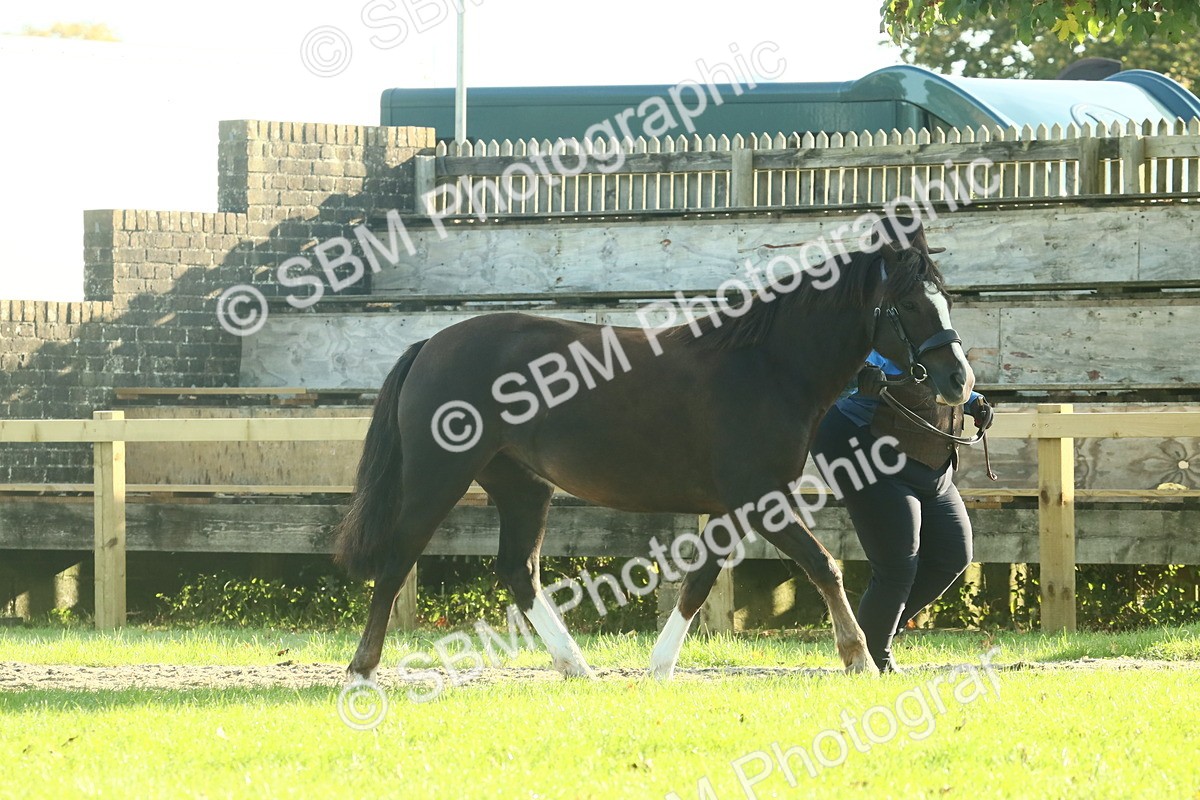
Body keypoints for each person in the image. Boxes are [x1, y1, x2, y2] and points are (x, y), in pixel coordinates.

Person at [809, 222, 994, 673]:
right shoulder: (855, 306)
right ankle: (872, 661)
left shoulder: (922, 298)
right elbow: (822, 377)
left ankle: (871, 635)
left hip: (927, 452)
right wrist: (860, 387)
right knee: (898, 564)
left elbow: (932, 365)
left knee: (952, 553)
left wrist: (971, 401)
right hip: (861, 446)